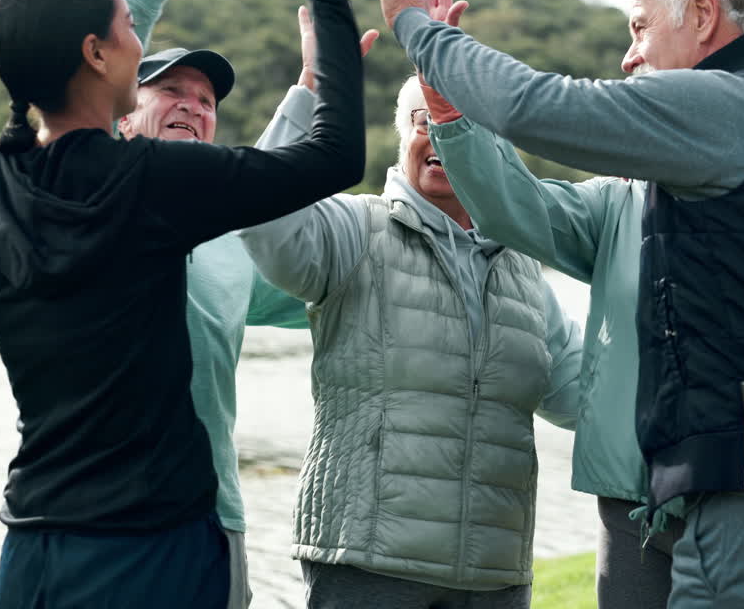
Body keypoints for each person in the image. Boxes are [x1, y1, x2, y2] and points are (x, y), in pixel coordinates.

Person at [376, 0, 744, 609]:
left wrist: (419, 29)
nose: (628, 57)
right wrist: (450, 113)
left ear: (704, 14)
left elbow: (536, 107)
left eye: (640, 29)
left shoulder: (729, 105)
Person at [0, 0, 364, 608]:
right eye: (127, 27)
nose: (138, 39)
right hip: (158, 551)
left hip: (34, 553)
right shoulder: (155, 183)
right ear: (96, 51)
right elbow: (335, 156)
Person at [241, 63, 583, 606]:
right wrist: (308, 93)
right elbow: (262, 218)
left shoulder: (525, 266)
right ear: (404, 135)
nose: (440, 135)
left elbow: (581, 391)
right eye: (425, 120)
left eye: (460, 122)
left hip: (492, 575)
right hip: (368, 564)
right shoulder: (356, 229)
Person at [115, 23, 376, 607]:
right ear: (122, 116)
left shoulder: (231, 237)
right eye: (170, 89)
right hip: (98, 516)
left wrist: (315, 85)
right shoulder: (91, 202)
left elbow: (326, 270)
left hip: (208, 516)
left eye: (206, 101)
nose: (192, 104)